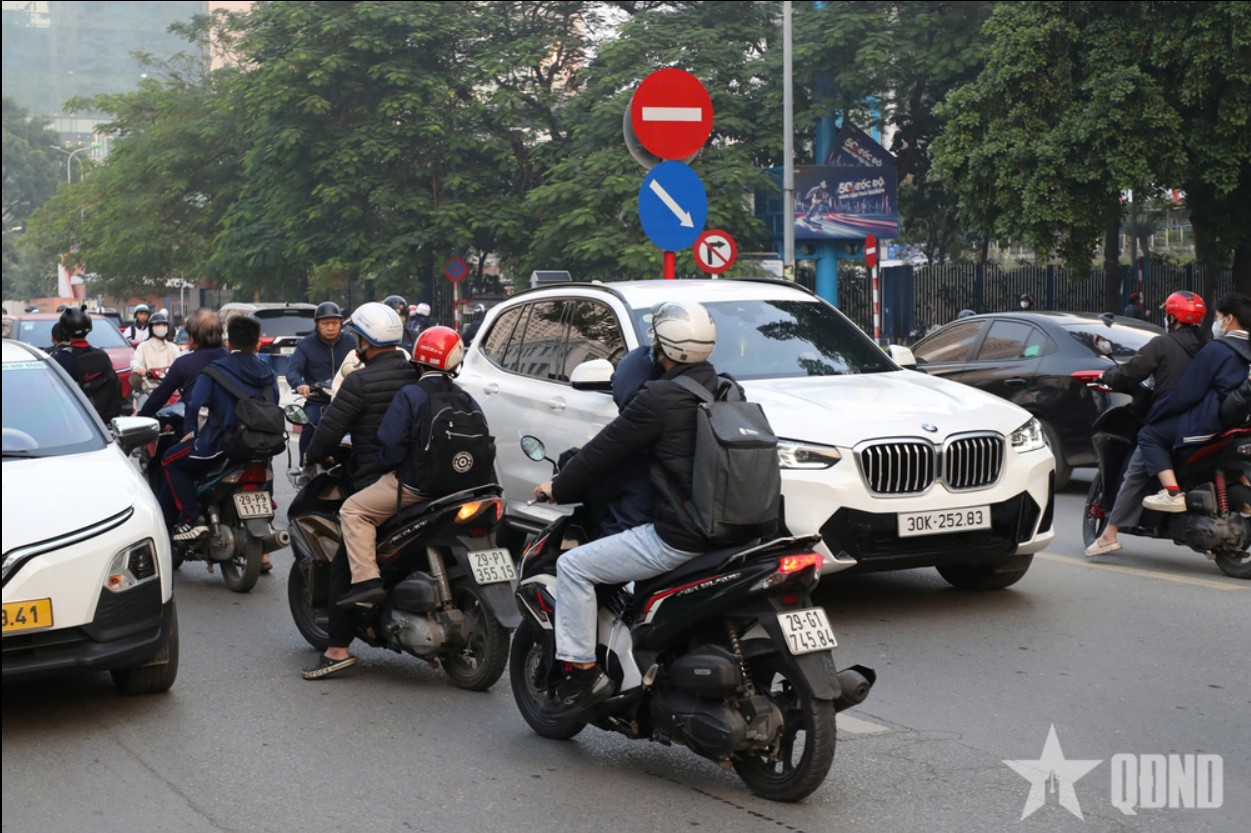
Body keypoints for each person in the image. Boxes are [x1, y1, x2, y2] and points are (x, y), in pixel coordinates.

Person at [531, 300, 723, 718]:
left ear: (662, 349)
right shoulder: (727, 389)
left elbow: (602, 453)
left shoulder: (658, 398)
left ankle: (583, 674)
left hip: (681, 534)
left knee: (573, 567)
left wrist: (557, 487)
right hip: (735, 530)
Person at [300, 307, 429, 679]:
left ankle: (337, 649)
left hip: (379, 480)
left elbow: (328, 432)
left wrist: (313, 454)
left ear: (364, 341)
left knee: (344, 561)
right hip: (427, 478)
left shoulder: (358, 382)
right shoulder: (416, 374)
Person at [328, 325, 483, 613]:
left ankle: (366, 582)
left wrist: (389, 467)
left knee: (353, 511)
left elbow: (390, 444)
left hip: (417, 487)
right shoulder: (466, 397)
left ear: (418, 359)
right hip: (464, 488)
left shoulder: (411, 394)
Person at [1084, 290, 1207, 556]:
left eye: (1167, 314)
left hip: (1169, 419)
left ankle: (1109, 535)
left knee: (1136, 470)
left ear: (1172, 318)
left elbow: (1131, 371)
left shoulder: (1162, 345)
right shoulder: (1206, 347)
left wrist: (1108, 375)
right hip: (1203, 421)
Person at [160, 315, 278, 542]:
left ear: (229, 344)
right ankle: (267, 515)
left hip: (218, 447)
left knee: (169, 460)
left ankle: (192, 519)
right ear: (257, 345)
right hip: (259, 448)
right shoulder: (269, 374)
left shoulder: (214, 371)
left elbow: (195, 404)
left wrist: (193, 432)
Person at [1140, 293, 1251, 513]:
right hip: (1242, 425)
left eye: (1217, 317)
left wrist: (1156, 414)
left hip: (1212, 422)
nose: (1216, 323)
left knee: (1149, 435)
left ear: (1229, 319)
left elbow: (1187, 394)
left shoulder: (1216, 349)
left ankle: (1172, 493)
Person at [286, 301, 355, 463]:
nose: (330, 328)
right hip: (318, 401)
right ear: (317, 324)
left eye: (335, 323)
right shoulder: (305, 345)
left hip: (348, 400)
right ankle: (305, 465)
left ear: (341, 323)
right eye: (325, 323)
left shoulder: (352, 342)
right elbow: (292, 370)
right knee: (309, 424)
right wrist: (299, 384)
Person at [138, 308, 228, 423]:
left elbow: (159, 396)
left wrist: (139, 418)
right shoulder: (232, 359)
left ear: (193, 337)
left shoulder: (183, 363)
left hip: (196, 429)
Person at [51, 306, 124, 422]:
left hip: (77, 420)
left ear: (64, 330)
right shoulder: (101, 354)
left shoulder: (62, 358)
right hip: (104, 420)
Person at [130, 311, 182, 407]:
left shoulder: (173, 348)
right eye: (158, 324)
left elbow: (180, 365)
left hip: (171, 391)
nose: (161, 327)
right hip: (149, 391)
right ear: (151, 327)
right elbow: (135, 361)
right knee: (142, 413)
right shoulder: (143, 346)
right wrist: (138, 368)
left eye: (164, 324)